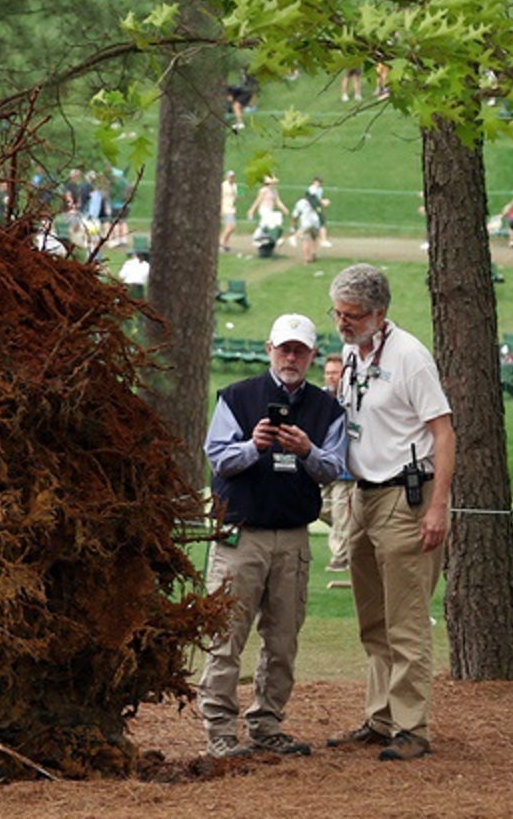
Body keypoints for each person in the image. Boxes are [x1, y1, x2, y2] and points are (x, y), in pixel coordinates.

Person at [197, 314, 347, 758]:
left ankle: (266, 724)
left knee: (283, 640)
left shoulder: (326, 409)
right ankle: (220, 731)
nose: (291, 357)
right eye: (284, 349)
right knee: (226, 638)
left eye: (300, 350)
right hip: (240, 536)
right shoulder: (238, 398)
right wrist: (253, 446)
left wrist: (307, 450)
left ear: (312, 356)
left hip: (293, 537)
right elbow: (219, 459)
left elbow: (336, 468)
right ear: (269, 349)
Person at [324, 264, 454, 763]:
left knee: (405, 620)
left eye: (353, 315)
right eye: (338, 313)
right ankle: (380, 718)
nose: (343, 323)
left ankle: (412, 727)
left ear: (381, 313)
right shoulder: (353, 355)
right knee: (372, 619)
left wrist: (437, 506)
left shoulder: (410, 358)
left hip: (406, 495)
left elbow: (444, 432)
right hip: (362, 494)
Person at [319, 352, 354, 574]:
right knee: (320, 507)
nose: (331, 377)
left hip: (345, 469)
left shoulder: (352, 399)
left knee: (341, 512)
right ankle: (352, 534)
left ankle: (340, 558)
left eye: (336, 373)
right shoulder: (319, 400)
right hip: (322, 465)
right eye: (328, 373)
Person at [219, 171, 239, 253]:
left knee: (231, 227)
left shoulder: (234, 186)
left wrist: (238, 196)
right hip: (225, 208)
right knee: (230, 227)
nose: (231, 178)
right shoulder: (223, 185)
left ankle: (225, 243)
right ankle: (221, 243)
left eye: (233, 177)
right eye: (230, 176)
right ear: (226, 177)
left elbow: (236, 196)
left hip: (231, 208)